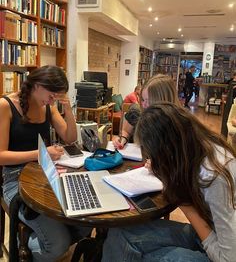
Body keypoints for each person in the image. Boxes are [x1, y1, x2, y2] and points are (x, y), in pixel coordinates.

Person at [102, 102, 236, 262]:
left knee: (146, 255)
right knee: (121, 232)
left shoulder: (213, 175)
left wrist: (185, 205)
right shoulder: (195, 149)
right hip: (211, 233)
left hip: (222, 251)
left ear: (168, 150)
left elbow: (228, 258)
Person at [0, 65, 90, 261]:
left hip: (45, 174)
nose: (52, 101)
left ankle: (35, 237)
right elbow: (1, 156)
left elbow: (69, 137)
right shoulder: (6, 105)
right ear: (38, 85)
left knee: (86, 221)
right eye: (52, 95)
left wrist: (67, 110)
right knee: (58, 245)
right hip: (15, 181)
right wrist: (41, 154)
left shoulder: (48, 106)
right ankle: (24, 247)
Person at [113, 74, 180, 149]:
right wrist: (122, 139)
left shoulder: (182, 124)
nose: (143, 105)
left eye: (148, 101)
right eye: (143, 100)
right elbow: (126, 131)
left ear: (164, 100)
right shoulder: (136, 113)